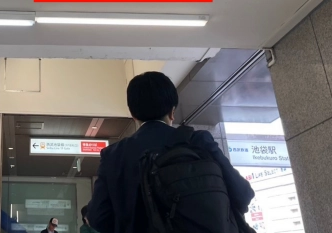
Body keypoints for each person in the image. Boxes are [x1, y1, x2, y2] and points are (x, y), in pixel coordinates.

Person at [88, 71, 254, 233]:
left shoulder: (114, 155)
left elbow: (98, 217)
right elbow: (243, 194)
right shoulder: (198, 142)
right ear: (172, 111)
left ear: (133, 114)